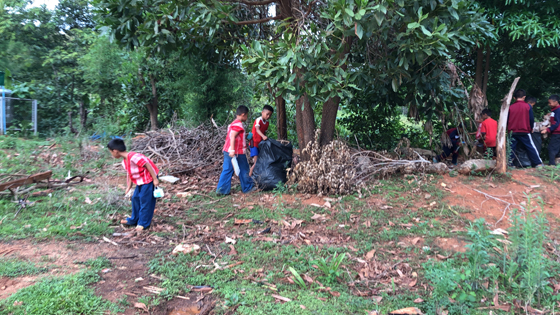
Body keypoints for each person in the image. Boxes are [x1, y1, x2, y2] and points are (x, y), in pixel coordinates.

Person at [108, 138, 159, 231]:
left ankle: (143, 223)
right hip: (140, 181)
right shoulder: (125, 161)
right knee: (135, 198)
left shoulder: (133, 157)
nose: (111, 154)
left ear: (115, 151)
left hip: (149, 179)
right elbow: (130, 173)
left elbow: (147, 164)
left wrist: (155, 179)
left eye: (111, 152)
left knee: (145, 200)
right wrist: (129, 186)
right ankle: (134, 220)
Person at [216, 105, 255, 195]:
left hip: (227, 150)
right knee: (244, 169)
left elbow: (234, 136)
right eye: (247, 115)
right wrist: (232, 150)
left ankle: (221, 190)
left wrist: (244, 136)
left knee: (227, 169)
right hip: (237, 152)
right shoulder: (239, 124)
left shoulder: (233, 124)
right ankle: (247, 187)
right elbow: (232, 136)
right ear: (243, 114)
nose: (247, 117)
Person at [507, 89, 543, 167]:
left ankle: (509, 164)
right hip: (524, 130)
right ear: (524, 97)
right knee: (530, 146)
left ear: (514, 98)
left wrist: (508, 129)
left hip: (512, 131)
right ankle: (538, 163)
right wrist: (531, 128)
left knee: (511, 147)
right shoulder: (528, 106)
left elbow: (507, 119)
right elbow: (531, 119)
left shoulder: (510, 107)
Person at [249, 105, 274, 176]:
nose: (268, 116)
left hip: (260, 144)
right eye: (267, 114)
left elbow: (264, 132)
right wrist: (263, 136)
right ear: (262, 112)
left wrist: (265, 138)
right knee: (256, 162)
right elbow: (257, 129)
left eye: (270, 115)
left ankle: (255, 177)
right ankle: (249, 177)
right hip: (254, 143)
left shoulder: (267, 123)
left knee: (260, 161)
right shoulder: (258, 120)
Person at [541, 95, 560, 165]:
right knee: (556, 147)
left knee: (551, 148)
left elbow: (556, 123)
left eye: (550, 103)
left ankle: (552, 164)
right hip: (556, 132)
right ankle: (557, 161)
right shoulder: (555, 110)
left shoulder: (558, 110)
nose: (549, 104)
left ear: (556, 102)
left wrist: (547, 130)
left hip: (557, 132)